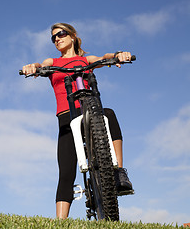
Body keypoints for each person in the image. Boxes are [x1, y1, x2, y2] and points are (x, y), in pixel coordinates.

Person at [22, 23, 133, 219]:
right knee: (66, 172)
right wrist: (34, 67)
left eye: (61, 34)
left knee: (110, 115)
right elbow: (41, 65)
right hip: (66, 117)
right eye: (53, 37)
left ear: (72, 36)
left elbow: (103, 58)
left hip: (91, 110)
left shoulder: (85, 59)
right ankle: (60, 222)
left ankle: (119, 173)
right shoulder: (53, 60)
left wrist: (117, 55)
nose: (57, 39)